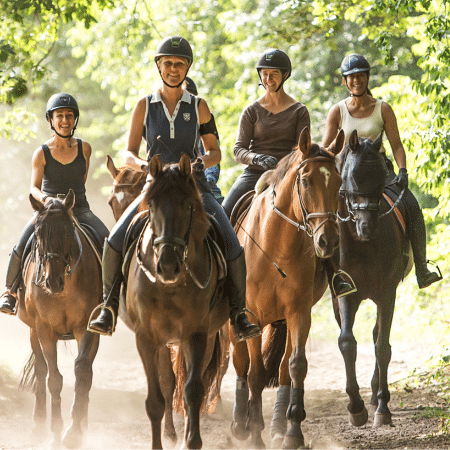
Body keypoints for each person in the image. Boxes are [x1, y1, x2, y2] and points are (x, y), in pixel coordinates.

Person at [88, 36, 261, 341]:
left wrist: (198, 163)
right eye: (167, 63)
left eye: (179, 64)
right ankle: (108, 306)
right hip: (155, 189)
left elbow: (215, 152)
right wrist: (147, 167)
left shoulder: (198, 106)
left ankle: (238, 313)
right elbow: (127, 153)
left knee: (233, 244)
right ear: (158, 66)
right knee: (114, 240)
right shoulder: (144, 105)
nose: (173, 68)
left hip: (193, 189)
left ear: (187, 68)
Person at [222, 48, 354, 298]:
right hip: (255, 174)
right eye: (264, 74)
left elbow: (302, 149)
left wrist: (287, 163)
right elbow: (238, 149)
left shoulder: (298, 111)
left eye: (274, 74)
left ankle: (334, 272)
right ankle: (221, 278)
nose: (268, 79)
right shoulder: (251, 111)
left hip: (290, 175)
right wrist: (256, 157)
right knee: (224, 213)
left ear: (284, 76)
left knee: (323, 217)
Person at [322, 53, 442, 289]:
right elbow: (328, 148)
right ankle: (324, 271)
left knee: (411, 204)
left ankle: (421, 268)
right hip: (347, 178)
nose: (356, 80)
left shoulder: (382, 109)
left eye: (360, 76)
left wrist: (403, 171)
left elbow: (396, 146)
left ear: (367, 78)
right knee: (321, 214)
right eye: (351, 77)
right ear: (345, 81)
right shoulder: (337, 111)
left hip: (378, 173)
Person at [0, 93, 110, 315]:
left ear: (75, 119)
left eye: (69, 115)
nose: (65, 120)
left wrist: (68, 204)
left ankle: (113, 295)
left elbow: (82, 179)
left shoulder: (85, 148)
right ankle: (9, 292)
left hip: (78, 209)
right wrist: (46, 200)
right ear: (51, 120)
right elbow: (34, 188)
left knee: (108, 241)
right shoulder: (41, 152)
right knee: (22, 242)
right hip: (49, 211)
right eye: (59, 115)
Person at [185, 77, 224, 204]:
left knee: (227, 218)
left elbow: (213, 157)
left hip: (203, 186)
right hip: (169, 187)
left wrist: (209, 179)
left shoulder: (204, 122)